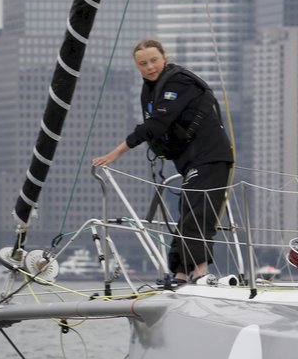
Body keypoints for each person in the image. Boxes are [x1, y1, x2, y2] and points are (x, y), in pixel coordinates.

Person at [92, 39, 233, 286]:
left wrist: (116, 153)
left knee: (199, 212)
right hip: (190, 162)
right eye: (143, 63)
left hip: (211, 156)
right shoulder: (151, 89)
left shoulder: (178, 82)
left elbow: (157, 124)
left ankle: (200, 271)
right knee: (186, 212)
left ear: (164, 57)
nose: (150, 67)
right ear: (137, 67)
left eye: (154, 60)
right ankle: (180, 274)